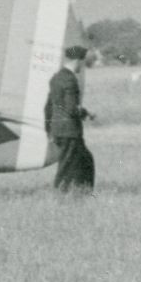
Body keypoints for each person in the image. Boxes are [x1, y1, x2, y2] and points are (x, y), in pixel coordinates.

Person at [44, 46, 95, 193]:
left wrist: (49, 130)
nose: (82, 66)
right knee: (66, 165)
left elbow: (48, 107)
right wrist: (87, 113)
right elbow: (72, 108)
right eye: (82, 62)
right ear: (77, 60)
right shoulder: (70, 79)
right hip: (69, 131)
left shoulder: (56, 77)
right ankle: (61, 193)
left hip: (58, 129)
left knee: (84, 159)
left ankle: (82, 191)